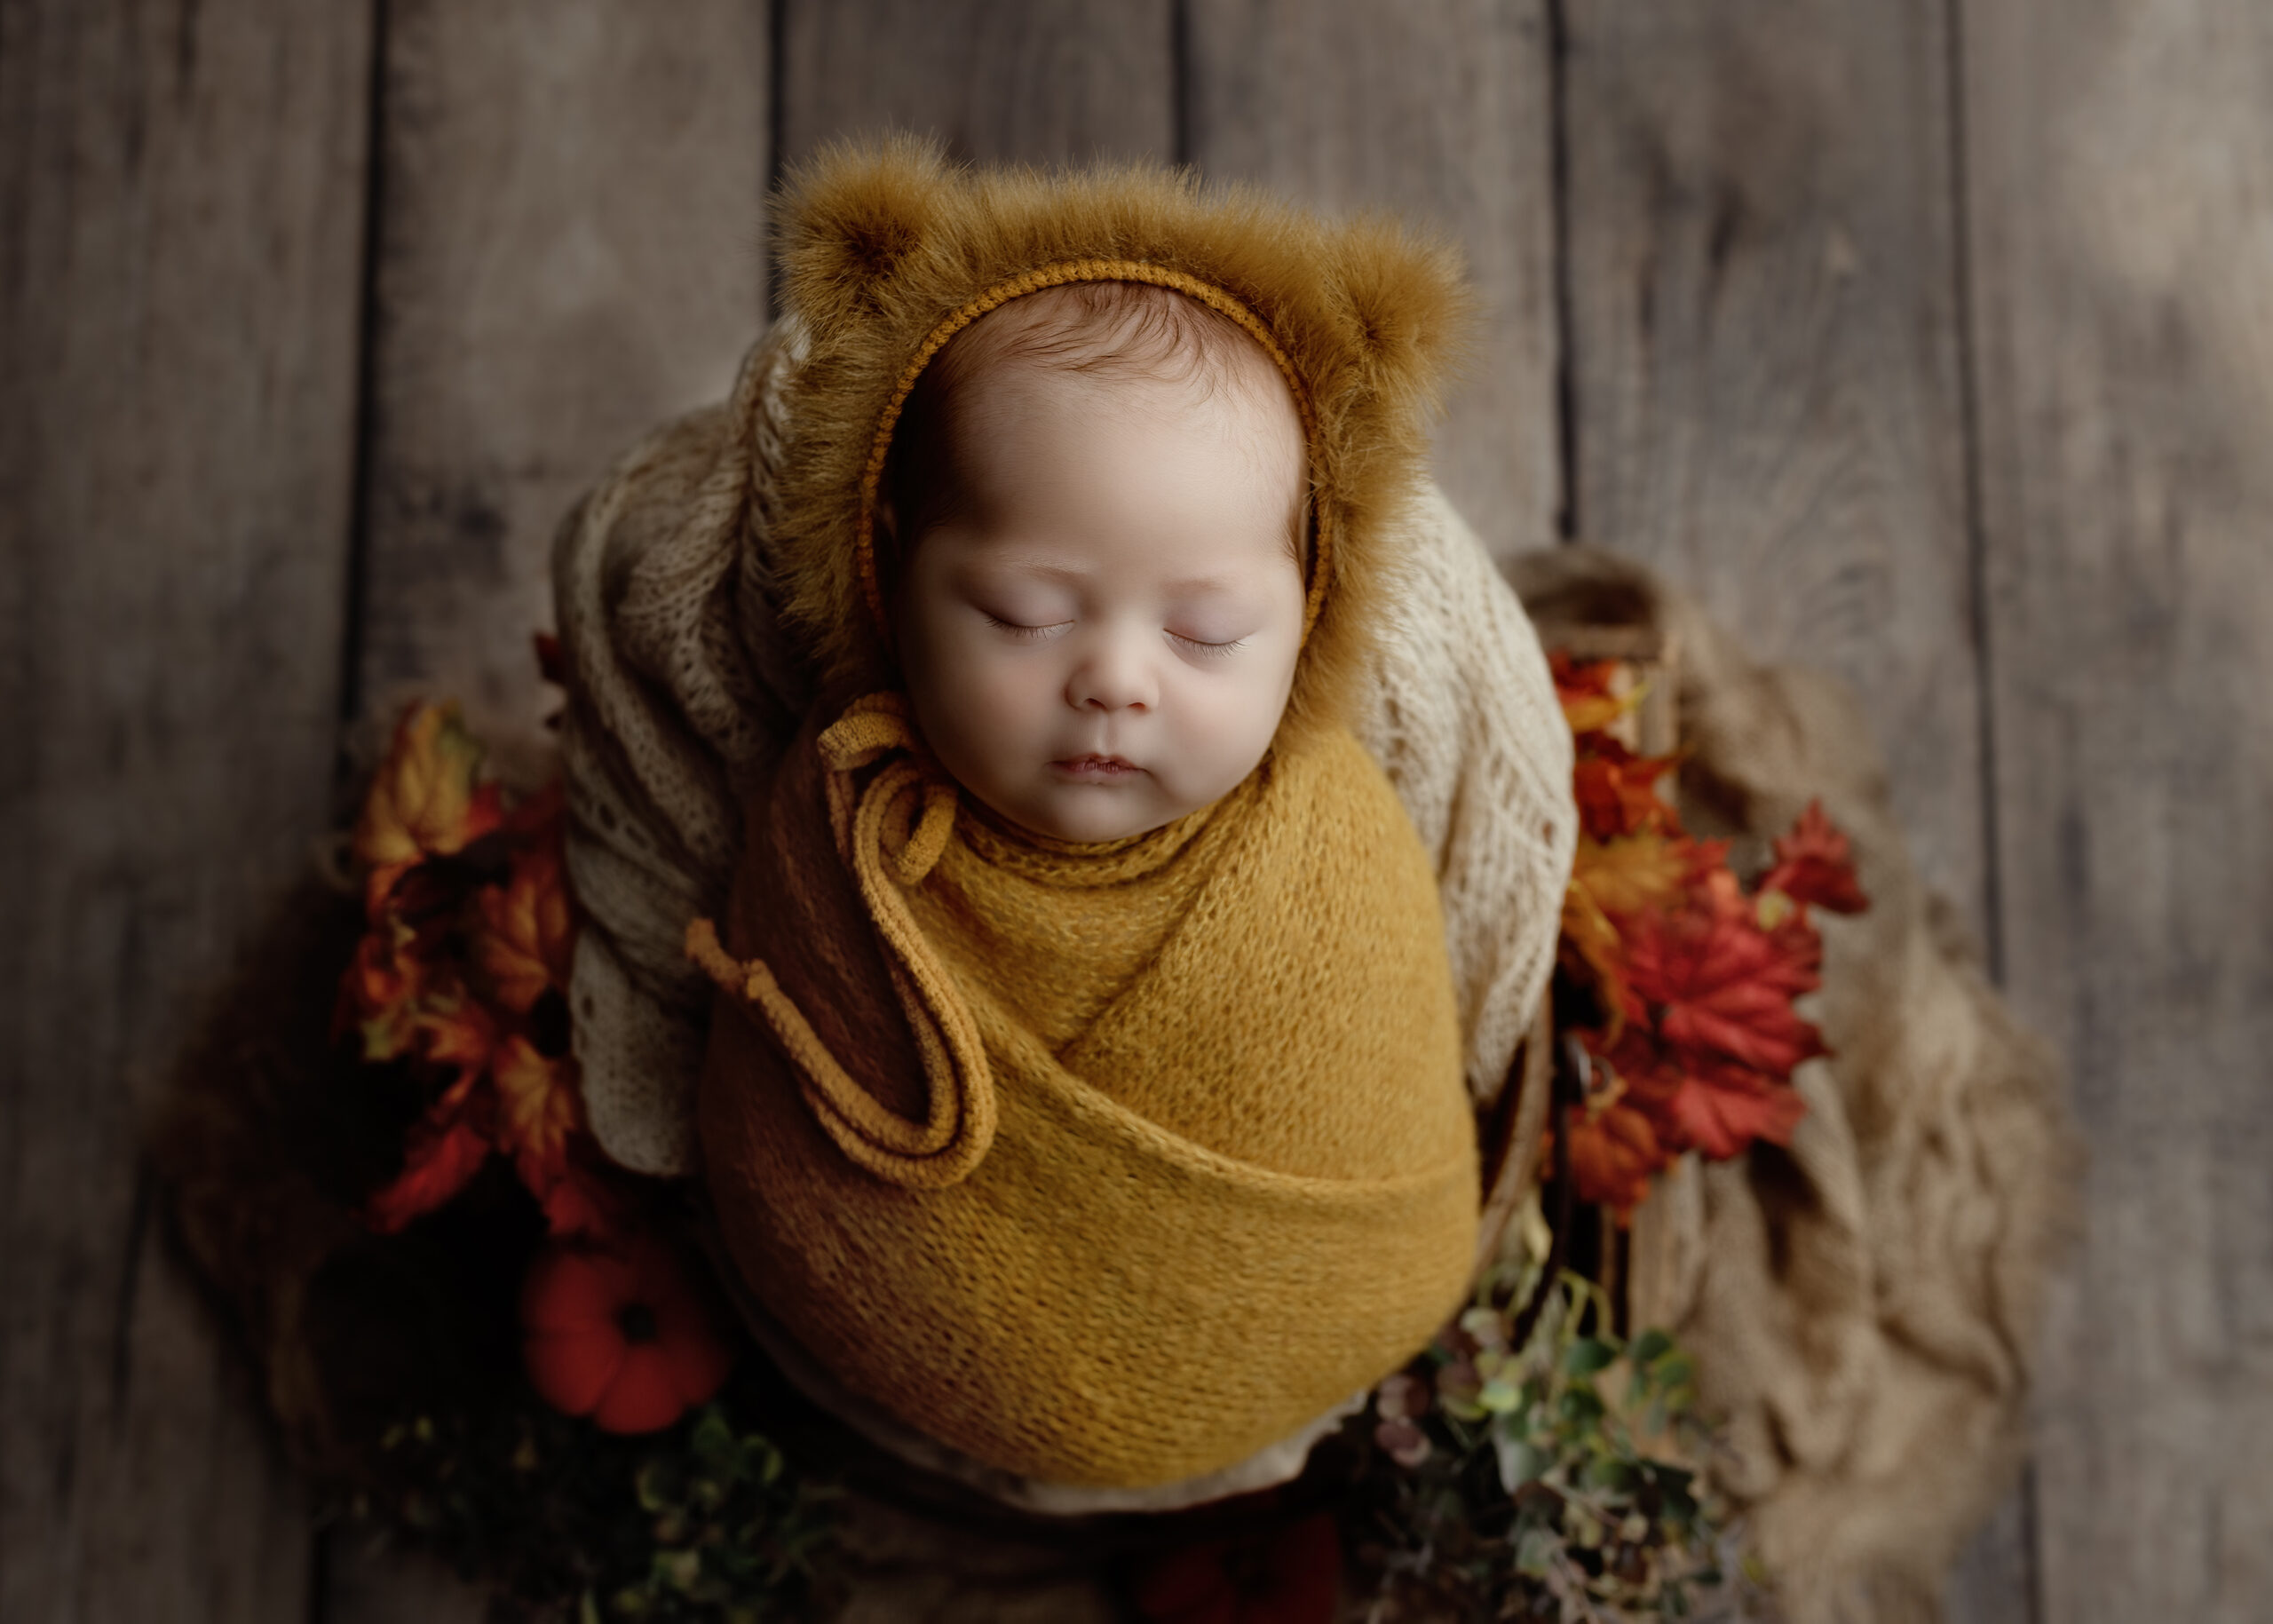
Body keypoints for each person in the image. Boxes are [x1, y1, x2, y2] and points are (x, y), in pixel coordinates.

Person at [553, 138, 1579, 1513]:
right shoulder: (842, 823)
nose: (1115, 676)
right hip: (901, 1381)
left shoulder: (1333, 846)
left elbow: (1403, 1066)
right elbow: (770, 1088)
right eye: (1026, 614)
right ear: (887, 574)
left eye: (1209, 630)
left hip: (1323, 1311)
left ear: (1314, 615)